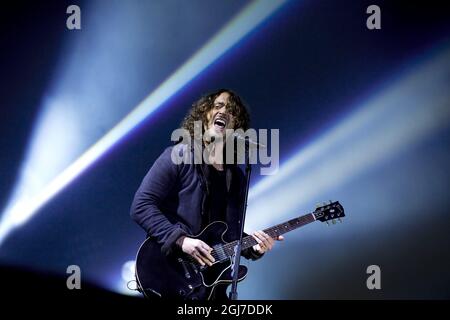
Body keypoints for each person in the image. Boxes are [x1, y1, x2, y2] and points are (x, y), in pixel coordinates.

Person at [130, 89, 283, 299]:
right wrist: (181, 240)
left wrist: (255, 248)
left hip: (211, 286)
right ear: (204, 114)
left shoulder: (236, 177)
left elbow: (229, 235)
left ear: (236, 128)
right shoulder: (179, 155)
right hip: (171, 270)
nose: (223, 112)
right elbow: (141, 205)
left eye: (231, 111)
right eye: (218, 106)